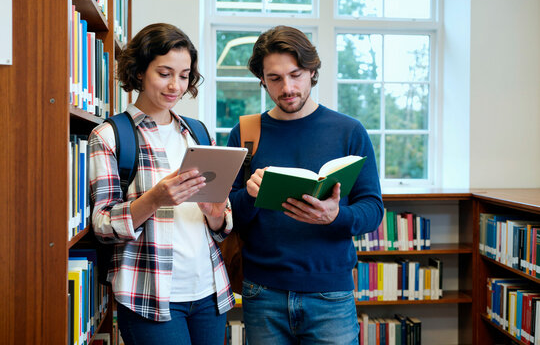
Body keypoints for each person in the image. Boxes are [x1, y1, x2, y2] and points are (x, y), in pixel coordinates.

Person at [227, 25, 384, 344]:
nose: (287, 87)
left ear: (312, 71)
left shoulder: (349, 131)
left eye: (296, 74)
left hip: (330, 294)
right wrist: (249, 195)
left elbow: (373, 209)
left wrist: (335, 216)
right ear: (262, 80)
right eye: (275, 78)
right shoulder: (245, 133)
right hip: (262, 293)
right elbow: (226, 213)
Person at [89, 23, 234, 345]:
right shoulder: (111, 136)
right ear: (140, 71)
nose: (176, 86)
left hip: (209, 292)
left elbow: (221, 226)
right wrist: (154, 198)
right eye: (165, 73)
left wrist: (216, 213)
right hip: (148, 295)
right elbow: (102, 225)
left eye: (184, 76)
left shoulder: (198, 133)